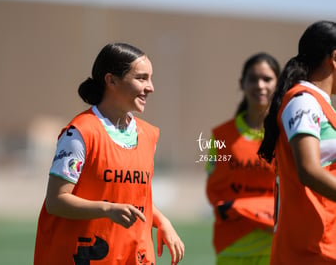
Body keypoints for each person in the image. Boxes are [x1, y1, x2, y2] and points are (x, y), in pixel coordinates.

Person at [34, 42, 185, 265]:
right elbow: (56, 201)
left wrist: (161, 221)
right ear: (111, 80)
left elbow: (133, 200)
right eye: (141, 78)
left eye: (150, 78)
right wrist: (106, 209)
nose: (150, 87)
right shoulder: (80, 134)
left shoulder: (148, 136)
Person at [258, 20, 336, 264]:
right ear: (334, 57)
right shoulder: (303, 101)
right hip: (309, 251)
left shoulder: (321, 104)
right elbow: (309, 169)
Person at [205, 52, 281, 264]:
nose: (260, 85)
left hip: (276, 244)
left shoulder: (288, 134)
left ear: (279, 82)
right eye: (253, 79)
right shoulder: (220, 136)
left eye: (267, 79)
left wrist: (250, 209)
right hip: (233, 246)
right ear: (242, 83)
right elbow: (214, 191)